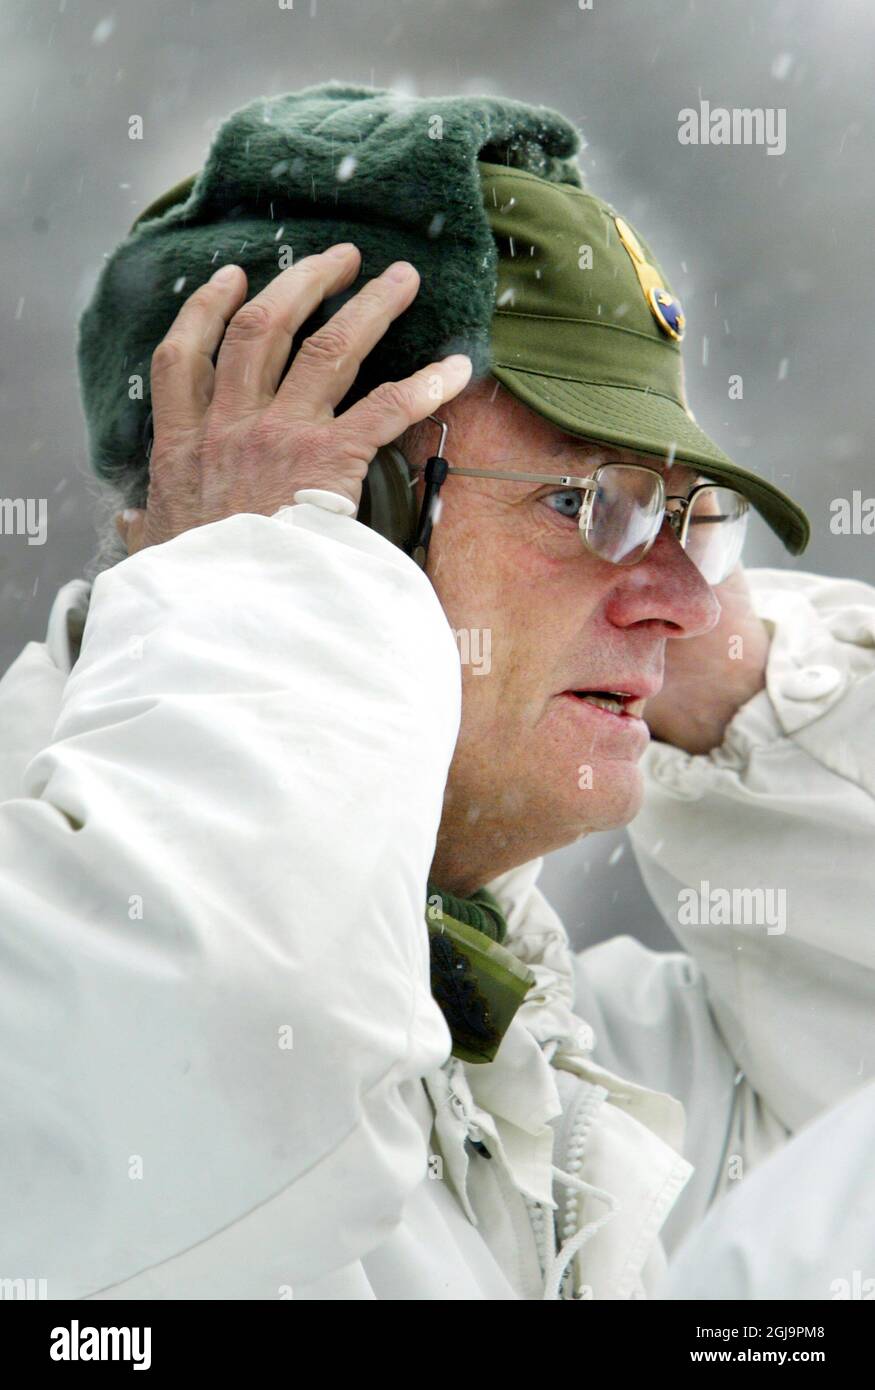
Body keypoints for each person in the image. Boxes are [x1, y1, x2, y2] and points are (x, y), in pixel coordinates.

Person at [1, 81, 872, 1301]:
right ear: (349, 523)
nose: (681, 599)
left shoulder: (571, 1056)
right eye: (588, 502)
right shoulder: (45, 959)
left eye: (689, 516)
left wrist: (755, 706)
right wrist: (263, 593)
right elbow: (195, 1100)